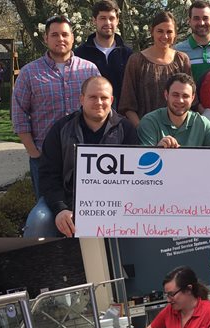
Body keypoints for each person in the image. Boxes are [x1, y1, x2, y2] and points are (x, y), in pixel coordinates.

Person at [23, 76, 139, 238]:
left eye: (104, 97)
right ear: (82, 99)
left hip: (113, 204)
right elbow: (49, 175)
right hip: (67, 200)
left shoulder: (126, 130)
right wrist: (60, 208)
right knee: (39, 219)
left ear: (111, 100)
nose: (99, 102)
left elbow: (136, 177)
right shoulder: (61, 129)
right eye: (93, 97)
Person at [12, 15, 100, 200]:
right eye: (55, 35)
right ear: (46, 38)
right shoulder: (29, 73)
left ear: (72, 38)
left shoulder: (89, 70)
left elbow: (103, 108)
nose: (60, 39)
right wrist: (34, 153)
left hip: (85, 157)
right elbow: (19, 115)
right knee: (47, 211)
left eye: (65, 34)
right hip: (45, 157)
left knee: (87, 208)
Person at [118, 11, 191, 127]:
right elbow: (127, 104)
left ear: (175, 34)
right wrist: (142, 129)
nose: (165, 36)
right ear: (152, 32)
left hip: (177, 131)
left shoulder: (182, 60)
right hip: (144, 132)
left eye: (169, 32)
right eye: (160, 31)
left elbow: (189, 99)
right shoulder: (136, 61)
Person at [138, 72, 210, 149]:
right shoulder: (150, 121)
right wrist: (158, 149)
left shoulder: (201, 122)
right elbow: (143, 162)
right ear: (166, 95)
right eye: (175, 95)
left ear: (192, 98)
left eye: (185, 96)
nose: (180, 100)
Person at [74, 0, 132, 107]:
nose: (108, 23)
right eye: (103, 18)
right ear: (94, 20)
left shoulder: (128, 55)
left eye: (111, 18)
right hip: (90, 116)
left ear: (117, 21)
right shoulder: (79, 54)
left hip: (122, 119)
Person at [175, 1, 210, 82]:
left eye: (205, 18)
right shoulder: (177, 51)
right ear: (189, 21)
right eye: (196, 18)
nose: (201, 23)